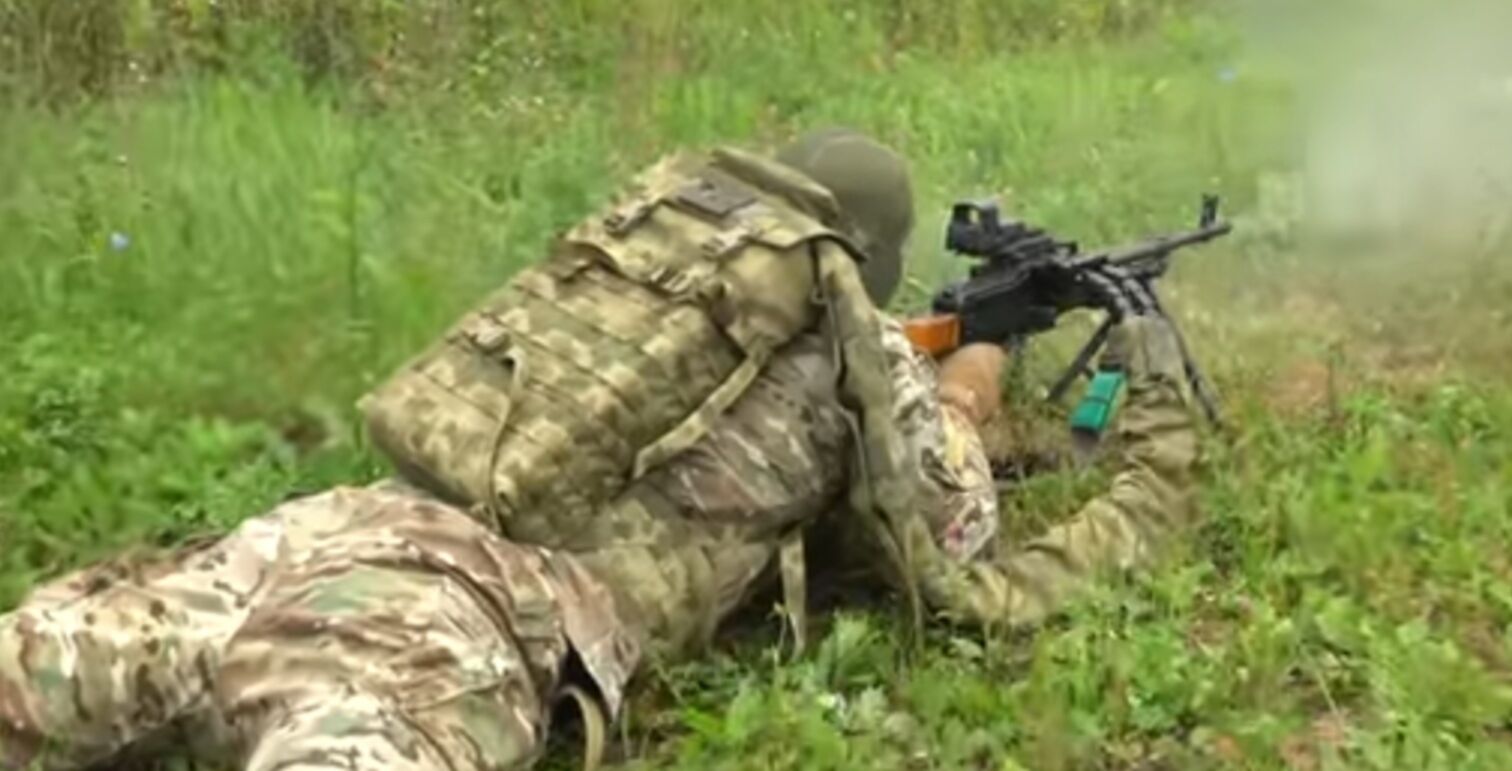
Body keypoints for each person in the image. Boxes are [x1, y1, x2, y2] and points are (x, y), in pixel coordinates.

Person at [0, 130, 1201, 771]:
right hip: (446, 612)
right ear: (873, 265)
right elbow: (954, 535)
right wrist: (972, 370)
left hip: (321, 533)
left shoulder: (649, 289)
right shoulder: (859, 354)